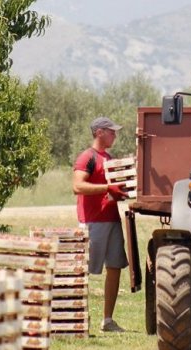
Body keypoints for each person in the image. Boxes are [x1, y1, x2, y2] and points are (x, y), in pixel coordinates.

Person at [72, 116, 129, 332]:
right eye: (111, 131)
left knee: (115, 267)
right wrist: (107, 189)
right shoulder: (87, 157)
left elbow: (112, 188)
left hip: (112, 220)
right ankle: (76, 318)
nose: (115, 134)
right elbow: (78, 186)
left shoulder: (110, 158)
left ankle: (108, 320)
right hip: (92, 222)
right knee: (82, 270)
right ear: (99, 132)